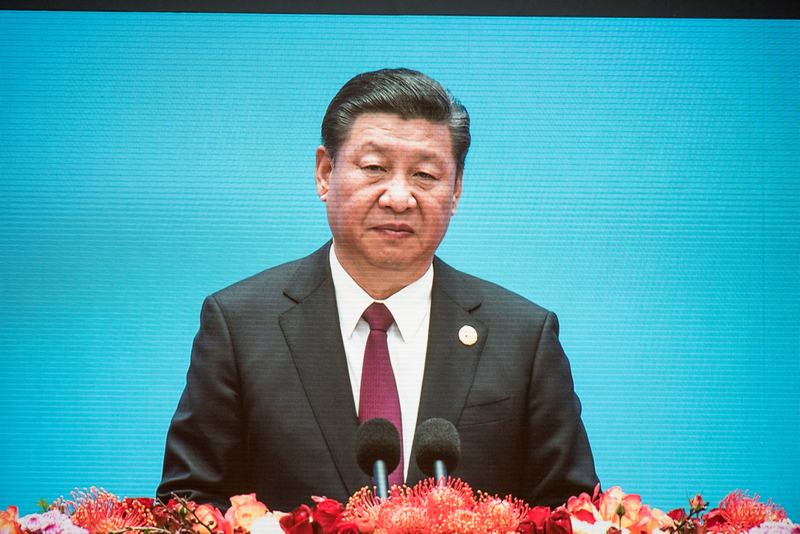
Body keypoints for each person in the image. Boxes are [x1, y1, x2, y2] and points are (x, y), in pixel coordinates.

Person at [157, 68, 599, 513]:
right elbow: (190, 506)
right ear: (325, 173)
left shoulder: (523, 337)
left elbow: (570, 512)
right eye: (374, 168)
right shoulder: (240, 325)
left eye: (425, 174)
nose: (399, 198)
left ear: (456, 191)